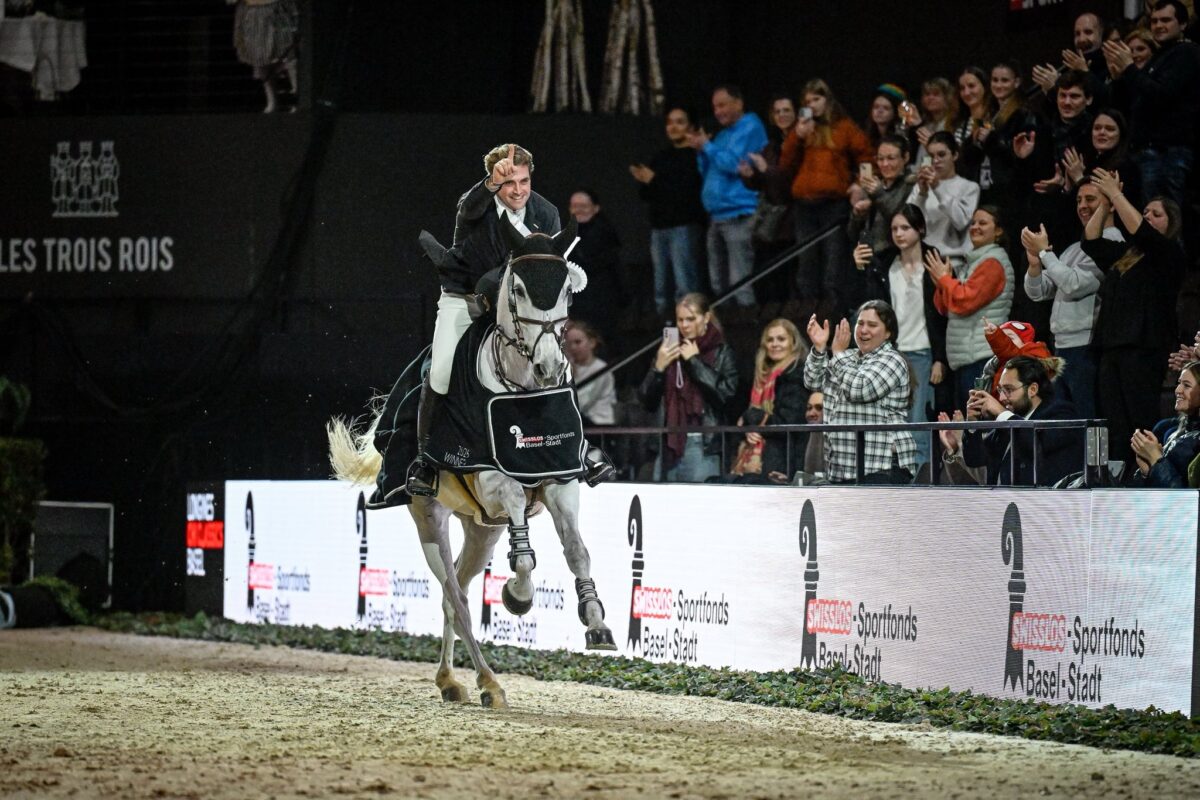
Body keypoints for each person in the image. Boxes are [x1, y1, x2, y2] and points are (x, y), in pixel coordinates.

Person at [407, 144, 611, 494]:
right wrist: (489, 184)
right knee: (440, 371)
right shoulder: (474, 207)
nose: (518, 190)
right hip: (466, 298)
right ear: (493, 182)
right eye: (508, 182)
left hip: (517, 306)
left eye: (524, 181)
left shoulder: (546, 213)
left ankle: (580, 450)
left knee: (556, 364)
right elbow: (469, 207)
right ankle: (426, 461)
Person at [1081, 168, 1187, 464]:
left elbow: (1142, 232)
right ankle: (1120, 478)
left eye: (1157, 214)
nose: (1148, 216)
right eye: (1146, 212)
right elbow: (1090, 240)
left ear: (1171, 223)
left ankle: (1148, 472)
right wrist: (1106, 204)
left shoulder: (1170, 255)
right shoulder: (1127, 253)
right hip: (1111, 348)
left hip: (1143, 349)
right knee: (1115, 425)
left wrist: (1116, 193)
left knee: (1140, 421)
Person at [853, 204, 948, 467]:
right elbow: (869, 306)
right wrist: (861, 269)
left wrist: (940, 357)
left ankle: (921, 479)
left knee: (917, 423)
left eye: (905, 227)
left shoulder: (934, 261)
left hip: (922, 352)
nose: (899, 233)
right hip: (891, 354)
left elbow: (942, 315)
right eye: (894, 228)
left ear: (920, 229)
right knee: (888, 424)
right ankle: (898, 478)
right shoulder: (885, 264)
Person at [1021, 183, 1125, 419]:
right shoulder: (1074, 248)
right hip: (1062, 346)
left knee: (1086, 419)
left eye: (1090, 199)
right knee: (1065, 420)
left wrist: (1045, 254)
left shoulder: (1112, 242)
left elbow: (1074, 284)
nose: (1082, 206)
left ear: (1110, 205)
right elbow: (1039, 292)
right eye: (1078, 200)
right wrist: (1035, 265)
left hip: (1085, 346)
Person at [779, 78, 873, 320]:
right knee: (806, 261)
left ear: (827, 100)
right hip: (804, 205)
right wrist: (797, 136)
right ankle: (808, 310)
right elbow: (785, 165)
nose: (812, 104)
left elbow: (867, 157)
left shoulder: (844, 127)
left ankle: (833, 309)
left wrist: (859, 184)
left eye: (816, 99)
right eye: (807, 101)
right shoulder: (802, 129)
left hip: (834, 203)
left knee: (834, 258)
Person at [803, 301, 918, 484]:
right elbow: (813, 382)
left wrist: (838, 355)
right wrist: (819, 349)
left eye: (872, 325)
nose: (864, 330)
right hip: (843, 469)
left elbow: (859, 390)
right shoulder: (847, 357)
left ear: (888, 333)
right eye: (860, 323)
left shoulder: (892, 360)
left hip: (882, 468)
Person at [1103, 0, 1200, 206]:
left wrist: (1129, 68)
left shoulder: (1187, 52)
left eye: (1165, 20)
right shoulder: (1159, 57)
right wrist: (1119, 78)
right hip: (1145, 153)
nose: (1158, 25)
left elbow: (1162, 95)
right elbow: (1131, 104)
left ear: (1183, 24)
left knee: (1162, 215)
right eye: (1154, 21)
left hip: (1168, 154)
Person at [639, 293, 739, 482]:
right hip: (669, 441)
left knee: (699, 498)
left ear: (706, 318)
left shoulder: (721, 351)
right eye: (680, 320)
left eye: (691, 319)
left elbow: (726, 396)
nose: (684, 325)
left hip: (702, 442)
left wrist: (694, 361)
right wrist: (658, 368)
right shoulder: (669, 350)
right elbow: (647, 401)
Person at [944, 355, 1081, 486]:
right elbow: (975, 459)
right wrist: (973, 424)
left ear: (1033, 389)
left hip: (1041, 501)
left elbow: (1035, 445)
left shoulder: (1061, 414)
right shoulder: (1007, 421)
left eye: (1009, 390)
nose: (1002, 398)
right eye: (1000, 390)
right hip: (1000, 500)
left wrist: (1001, 413)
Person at [926, 206, 1015, 407]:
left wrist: (945, 280)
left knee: (979, 419)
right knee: (967, 420)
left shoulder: (993, 262)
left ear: (998, 231)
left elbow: (965, 301)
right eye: (973, 223)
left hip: (982, 357)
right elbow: (946, 308)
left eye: (982, 223)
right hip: (967, 357)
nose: (975, 227)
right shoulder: (974, 262)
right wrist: (942, 284)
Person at [689, 84, 768, 308]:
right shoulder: (722, 135)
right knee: (718, 285)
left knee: (739, 282)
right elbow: (708, 171)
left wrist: (707, 146)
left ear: (738, 103)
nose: (718, 112)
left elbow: (734, 164)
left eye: (722, 105)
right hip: (716, 216)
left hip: (738, 215)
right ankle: (725, 328)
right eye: (715, 107)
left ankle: (749, 326)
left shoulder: (751, 126)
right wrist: (701, 152)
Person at [630, 106, 707, 319]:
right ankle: (664, 330)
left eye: (680, 122)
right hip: (659, 227)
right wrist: (646, 180)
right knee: (661, 286)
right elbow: (646, 194)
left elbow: (687, 193)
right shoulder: (661, 157)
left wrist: (654, 180)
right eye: (670, 122)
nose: (673, 127)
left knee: (685, 283)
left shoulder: (695, 156)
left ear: (691, 127)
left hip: (684, 226)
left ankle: (691, 327)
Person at [738, 92, 800, 305]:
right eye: (777, 111)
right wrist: (750, 175)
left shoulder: (802, 141)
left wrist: (766, 170)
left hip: (794, 218)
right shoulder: (772, 146)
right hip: (773, 221)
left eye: (786, 110)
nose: (782, 115)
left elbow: (789, 182)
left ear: (796, 113)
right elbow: (762, 181)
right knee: (767, 275)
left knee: (791, 276)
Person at [731, 318, 808, 482]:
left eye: (781, 339)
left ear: (793, 342)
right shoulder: (761, 377)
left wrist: (752, 417)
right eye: (770, 340)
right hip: (763, 458)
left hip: (783, 459)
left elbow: (789, 421)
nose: (775, 344)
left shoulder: (797, 374)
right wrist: (750, 430)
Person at [906, 131, 980, 266]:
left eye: (941, 154)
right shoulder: (920, 187)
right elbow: (909, 224)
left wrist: (937, 187)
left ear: (955, 155)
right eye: (931, 156)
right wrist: (922, 195)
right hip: (921, 259)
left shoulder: (969, 187)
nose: (935, 160)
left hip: (953, 261)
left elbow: (961, 222)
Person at [1129, 360, 1200, 487]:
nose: (1178, 390)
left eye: (1187, 385)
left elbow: (1184, 497)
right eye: (1179, 383)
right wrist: (1147, 471)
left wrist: (1156, 459)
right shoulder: (1177, 433)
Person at [566, 188, 622, 340]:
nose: (578, 210)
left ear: (596, 208)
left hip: (602, 302)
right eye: (574, 206)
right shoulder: (568, 234)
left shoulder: (605, 233)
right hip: (578, 303)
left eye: (583, 206)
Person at [847, 134, 914, 256]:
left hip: (898, 257)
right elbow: (852, 235)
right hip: (871, 256)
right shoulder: (874, 185)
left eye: (891, 158)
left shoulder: (913, 185)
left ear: (905, 157)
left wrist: (879, 194)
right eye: (880, 159)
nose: (885, 164)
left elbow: (901, 221)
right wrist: (857, 215)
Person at [229, 0, 299, 114]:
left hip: (276, 10)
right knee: (260, 58)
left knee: (288, 54)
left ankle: (297, 97)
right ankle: (272, 101)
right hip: (252, 12)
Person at [565, 320, 617, 426]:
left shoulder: (601, 368)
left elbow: (582, 403)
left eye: (578, 342)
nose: (573, 347)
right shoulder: (568, 367)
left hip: (598, 425)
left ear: (592, 343)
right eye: (569, 344)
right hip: (578, 423)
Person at [951, 66, 996, 184]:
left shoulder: (996, 119)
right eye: (962, 88)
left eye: (971, 86)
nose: (966, 92)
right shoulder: (959, 124)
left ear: (985, 87)